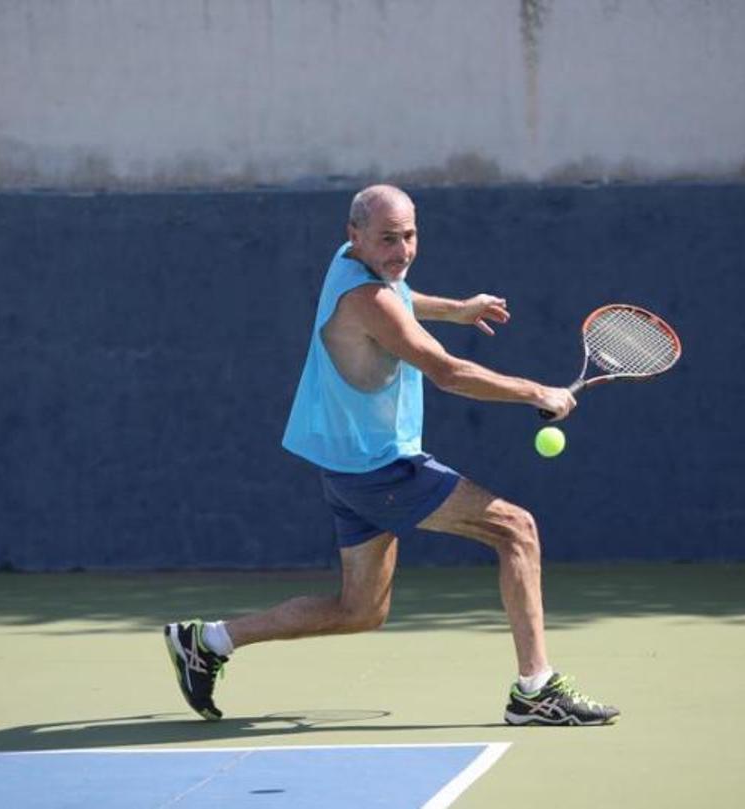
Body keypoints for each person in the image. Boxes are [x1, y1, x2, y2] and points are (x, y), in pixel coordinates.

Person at [164, 184, 618, 726]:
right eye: (387, 239)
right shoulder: (366, 301)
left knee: (361, 611)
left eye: (410, 235)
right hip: (383, 469)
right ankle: (536, 689)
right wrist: (537, 393)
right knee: (517, 530)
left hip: (349, 466)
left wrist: (456, 309)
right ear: (354, 236)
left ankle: (209, 641)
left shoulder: (353, 266)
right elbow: (448, 373)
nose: (401, 250)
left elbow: (403, 295)